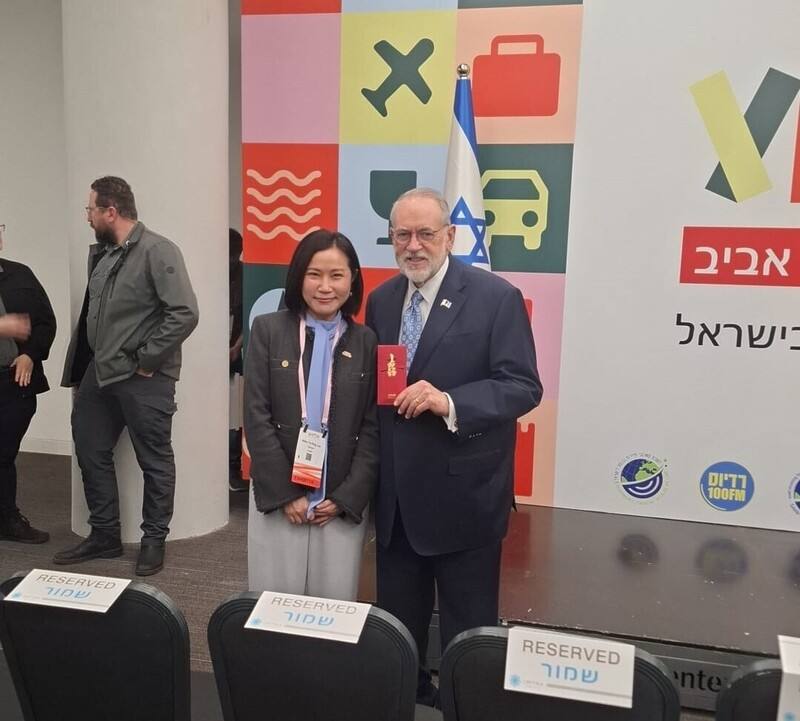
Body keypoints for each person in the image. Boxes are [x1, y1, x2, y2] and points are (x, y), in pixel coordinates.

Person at [365, 188, 543, 705]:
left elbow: (522, 386)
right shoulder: (381, 300)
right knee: (398, 631)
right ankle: (408, 698)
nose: (413, 245)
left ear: (450, 235)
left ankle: (467, 706)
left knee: (468, 637)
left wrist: (448, 401)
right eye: (402, 234)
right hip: (397, 502)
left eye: (425, 233)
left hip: (466, 498)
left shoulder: (495, 297)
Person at [55, 176, 199, 576]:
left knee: (154, 459)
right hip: (100, 373)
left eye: (90, 210)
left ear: (110, 212)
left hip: (144, 378)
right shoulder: (105, 254)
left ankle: (154, 540)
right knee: (90, 448)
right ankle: (104, 534)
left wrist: (147, 359)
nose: (87, 217)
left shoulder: (158, 250)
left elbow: (184, 313)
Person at [245, 229, 378, 600]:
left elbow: (372, 428)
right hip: (279, 495)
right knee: (274, 603)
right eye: (314, 274)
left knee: (332, 606)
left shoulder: (366, 341)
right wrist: (284, 493)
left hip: (338, 500)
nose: (325, 287)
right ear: (298, 277)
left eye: (336, 275)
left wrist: (347, 497)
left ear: (352, 280)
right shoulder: (268, 330)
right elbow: (256, 414)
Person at [0, 222, 56, 543]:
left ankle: (8, 520)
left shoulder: (21, 275)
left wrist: (30, 355)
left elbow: (46, 322)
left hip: (15, 381)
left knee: (5, 454)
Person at [228, 228, 246, 492]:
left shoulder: (244, 274)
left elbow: (246, 313)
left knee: (235, 411)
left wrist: (236, 346)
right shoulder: (208, 272)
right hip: (209, 351)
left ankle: (233, 467)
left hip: (235, 349)